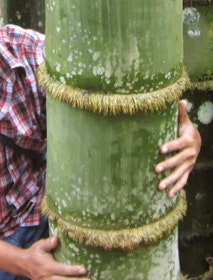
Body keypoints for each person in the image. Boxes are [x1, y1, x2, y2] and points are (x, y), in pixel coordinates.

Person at [0, 24, 201, 280]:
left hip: (50, 201)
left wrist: (187, 132)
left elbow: (107, 90)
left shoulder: (21, 52)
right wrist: (23, 263)